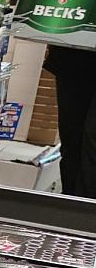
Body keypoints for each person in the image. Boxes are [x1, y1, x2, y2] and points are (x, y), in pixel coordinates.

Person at [43, 45, 96, 198]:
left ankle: (83, 207)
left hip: (74, 53)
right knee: (72, 140)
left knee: (91, 143)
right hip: (74, 52)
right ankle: (70, 202)